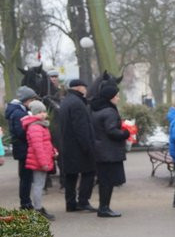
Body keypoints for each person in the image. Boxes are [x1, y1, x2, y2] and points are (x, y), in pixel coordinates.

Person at [90, 85, 130, 217]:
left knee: (104, 181)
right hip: (109, 152)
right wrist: (125, 133)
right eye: (116, 96)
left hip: (100, 150)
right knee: (108, 181)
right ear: (110, 97)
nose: (118, 98)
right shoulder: (110, 111)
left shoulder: (96, 109)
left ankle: (103, 207)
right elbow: (111, 131)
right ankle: (104, 208)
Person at [59, 79, 97, 212]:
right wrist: (88, 146)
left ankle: (70, 203)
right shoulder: (77, 103)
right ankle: (83, 201)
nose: (86, 90)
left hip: (67, 145)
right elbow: (81, 128)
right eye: (84, 87)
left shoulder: (66, 101)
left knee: (71, 175)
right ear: (79, 87)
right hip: (79, 147)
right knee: (89, 172)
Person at [22, 100, 57, 220]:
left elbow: (46, 143)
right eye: (39, 112)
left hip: (42, 159)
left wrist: (53, 151)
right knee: (38, 185)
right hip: (39, 161)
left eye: (44, 111)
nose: (43, 114)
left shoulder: (40, 125)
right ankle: (38, 209)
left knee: (39, 184)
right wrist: (44, 163)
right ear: (34, 113)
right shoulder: (36, 127)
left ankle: (38, 208)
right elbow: (38, 147)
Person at [5, 86, 39, 209]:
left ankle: (25, 202)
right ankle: (25, 203)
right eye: (32, 100)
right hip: (24, 149)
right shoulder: (19, 113)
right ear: (27, 100)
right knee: (26, 178)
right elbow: (21, 132)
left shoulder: (16, 111)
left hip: (21, 149)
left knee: (25, 177)